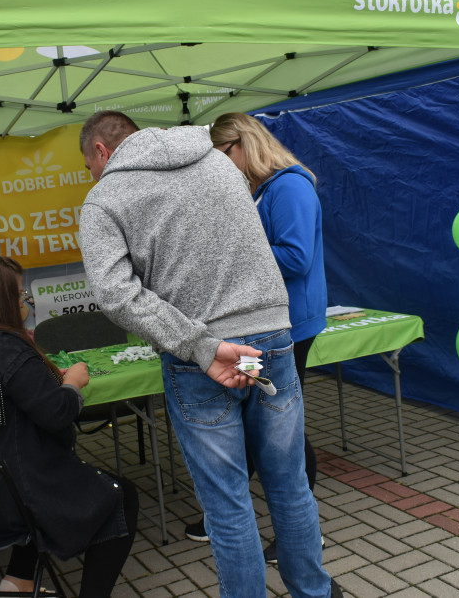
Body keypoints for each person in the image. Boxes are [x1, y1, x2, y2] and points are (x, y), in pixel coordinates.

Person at [77, 111, 340, 598]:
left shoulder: (104, 199)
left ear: (99, 151)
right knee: (288, 484)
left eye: (90, 166)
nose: (93, 175)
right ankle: (314, 592)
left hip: (204, 360)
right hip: (270, 338)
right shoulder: (218, 164)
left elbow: (115, 295)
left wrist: (198, 345)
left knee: (227, 503)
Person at [0, 255, 138, 598]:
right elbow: (57, 414)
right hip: (11, 498)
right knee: (121, 495)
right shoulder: (6, 349)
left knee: (35, 476)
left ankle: (18, 581)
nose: (23, 301)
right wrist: (72, 384)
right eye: (17, 295)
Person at [206, 111, 327, 563]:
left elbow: (296, 258)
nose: (222, 166)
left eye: (223, 155)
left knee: (280, 427)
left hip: (289, 330)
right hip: (266, 330)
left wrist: (236, 245)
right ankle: (229, 517)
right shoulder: (266, 189)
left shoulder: (291, 185)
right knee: (260, 417)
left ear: (242, 144)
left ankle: (299, 535)